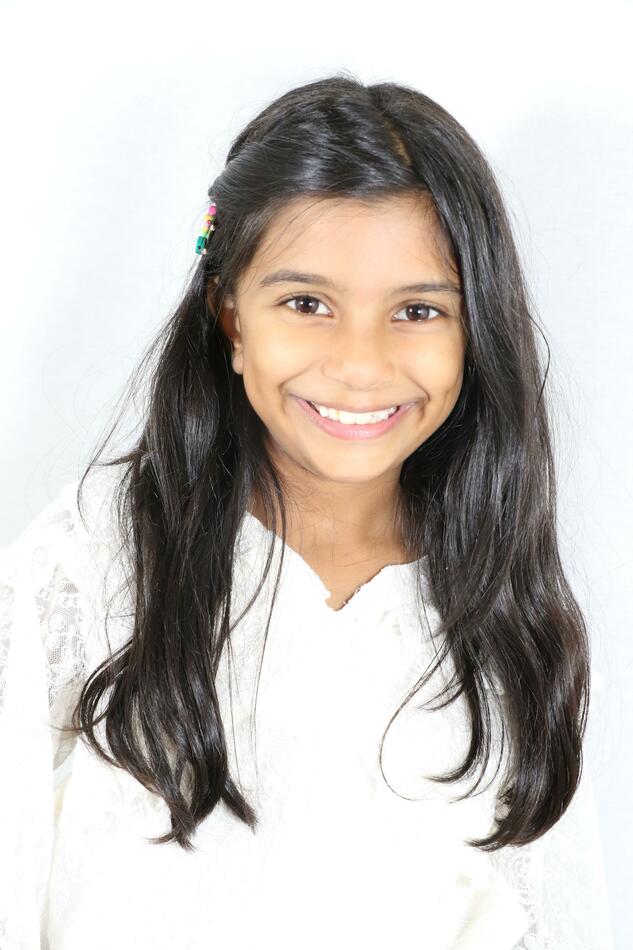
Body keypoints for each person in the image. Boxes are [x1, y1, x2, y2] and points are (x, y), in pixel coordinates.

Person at [0, 73, 614, 949]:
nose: (359, 365)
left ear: (474, 330)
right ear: (230, 317)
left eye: (416, 310)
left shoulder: (507, 625)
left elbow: (551, 919)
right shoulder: (96, 563)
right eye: (306, 304)